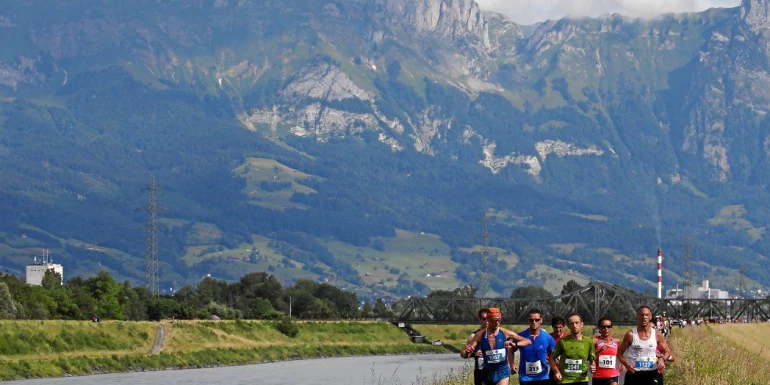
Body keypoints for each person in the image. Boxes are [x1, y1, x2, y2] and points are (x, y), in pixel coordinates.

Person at [462, 307, 533, 385]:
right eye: (494, 320)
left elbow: (528, 341)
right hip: (487, 372)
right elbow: (464, 354)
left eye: (499, 320)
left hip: (502, 371)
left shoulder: (505, 332)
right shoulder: (480, 335)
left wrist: (515, 344)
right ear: (488, 320)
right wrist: (467, 351)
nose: (497, 323)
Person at [617, 306, 672, 385]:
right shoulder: (630, 334)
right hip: (634, 373)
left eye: (646, 315)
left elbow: (667, 351)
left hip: (652, 373)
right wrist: (627, 365)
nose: (644, 317)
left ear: (650, 317)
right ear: (638, 317)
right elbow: (619, 353)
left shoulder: (657, 334)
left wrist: (662, 359)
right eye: (641, 315)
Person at [549, 312, 596, 385]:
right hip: (565, 381)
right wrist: (556, 372)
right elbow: (552, 358)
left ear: (582, 324)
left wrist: (593, 365)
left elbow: (592, 358)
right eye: (572, 323)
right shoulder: (562, 342)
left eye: (577, 322)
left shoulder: (589, 342)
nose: (574, 325)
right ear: (568, 326)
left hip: (582, 380)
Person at [517, 308, 556, 385]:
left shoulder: (548, 337)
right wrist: (512, 364)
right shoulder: (520, 336)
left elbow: (555, 355)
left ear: (541, 320)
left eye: (537, 320)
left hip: (543, 376)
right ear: (528, 320)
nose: (534, 322)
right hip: (525, 377)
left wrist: (556, 368)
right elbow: (511, 350)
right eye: (531, 320)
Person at [591, 317, 621, 385]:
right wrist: (599, 351)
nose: (606, 329)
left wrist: (623, 364)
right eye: (603, 327)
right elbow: (589, 356)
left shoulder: (617, 341)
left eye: (608, 326)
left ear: (611, 327)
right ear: (599, 328)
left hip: (613, 375)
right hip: (599, 375)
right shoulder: (594, 340)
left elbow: (620, 355)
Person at [465, 308, 491, 385]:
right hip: (480, 371)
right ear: (480, 320)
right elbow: (465, 354)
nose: (486, 321)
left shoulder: (497, 335)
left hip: (493, 371)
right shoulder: (473, 336)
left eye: (488, 318)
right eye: (484, 319)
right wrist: (474, 354)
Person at [549, 316, 568, 385]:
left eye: (560, 327)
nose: (558, 329)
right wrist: (548, 358)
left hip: (566, 369)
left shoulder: (568, 338)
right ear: (552, 326)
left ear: (564, 326)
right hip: (553, 369)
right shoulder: (548, 337)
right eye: (555, 327)